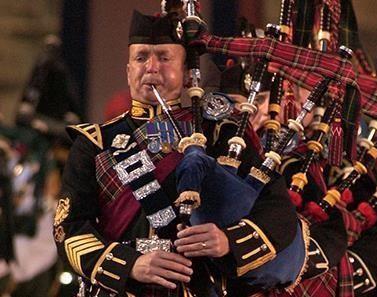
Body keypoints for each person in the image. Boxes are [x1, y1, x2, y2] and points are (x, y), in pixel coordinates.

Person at [53, 9, 298, 297]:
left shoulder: (220, 136)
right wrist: (130, 265)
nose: (151, 67)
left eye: (164, 57)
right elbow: (68, 227)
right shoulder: (94, 143)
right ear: (128, 70)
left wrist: (228, 240)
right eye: (141, 57)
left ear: (185, 74)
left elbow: (278, 210)